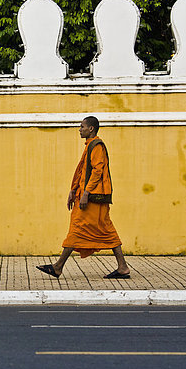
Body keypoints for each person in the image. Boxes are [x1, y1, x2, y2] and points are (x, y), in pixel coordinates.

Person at [37, 116, 130, 279]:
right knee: (105, 229)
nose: (80, 129)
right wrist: (73, 190)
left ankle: (58, 267)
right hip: (88, 195)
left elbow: (97, 171)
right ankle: (122, 267)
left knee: (79, 228)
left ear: (91, 129)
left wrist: (86, 193)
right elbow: (82, 171)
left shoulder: (96, 146)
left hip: (93, 198)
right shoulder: (89, 146)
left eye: (82, 127)